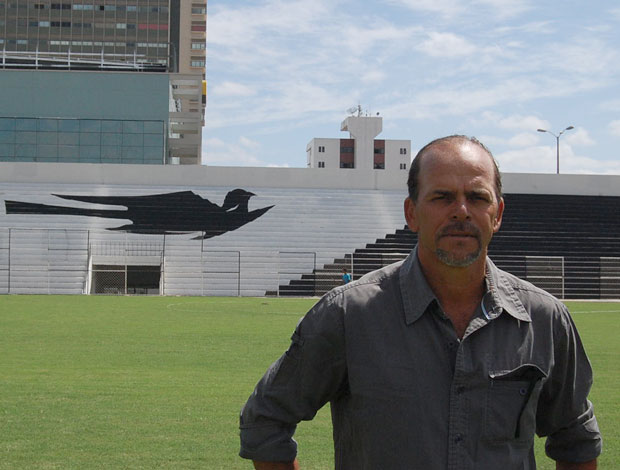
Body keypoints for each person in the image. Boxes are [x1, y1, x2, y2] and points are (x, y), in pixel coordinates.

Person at [239, 135, 602, 470]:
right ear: (411, 213)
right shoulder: (350, 315)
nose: (461, 210)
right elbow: (266, 420)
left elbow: (576, 440)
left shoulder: (544, 319)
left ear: (498, 214)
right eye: (442, 197)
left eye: (477, 197)